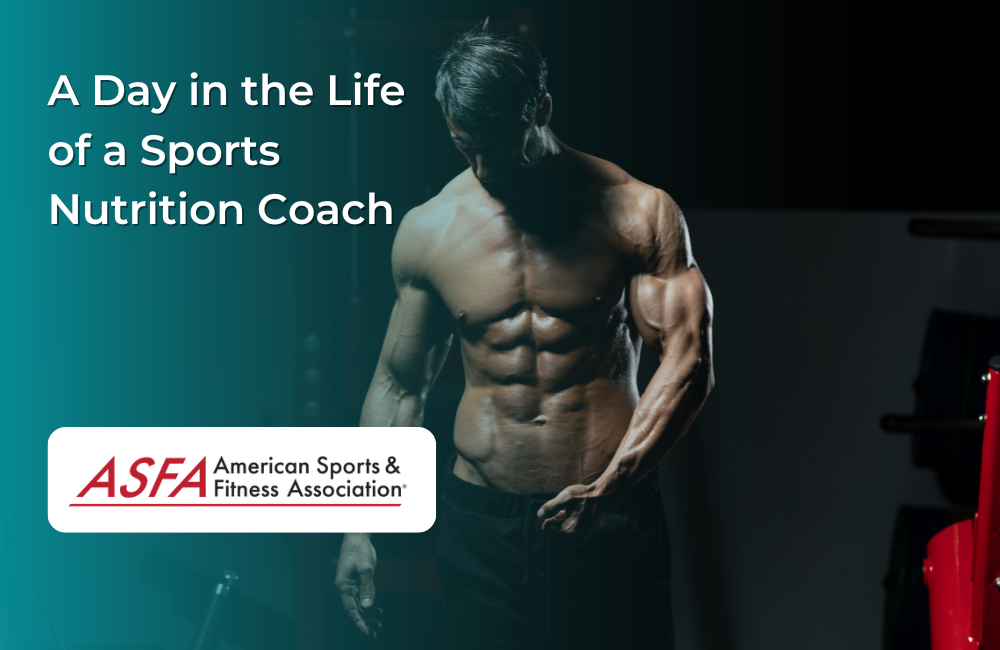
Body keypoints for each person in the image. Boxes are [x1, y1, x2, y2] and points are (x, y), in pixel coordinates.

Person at [334, 23, 714, 649]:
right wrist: (357, 528)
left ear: (541, 110)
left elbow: (689, 360)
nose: (485, 168)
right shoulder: (429, 230)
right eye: (466, 148)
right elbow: (400, 385)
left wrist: (613, 485)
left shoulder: (636, 211)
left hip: (607, 507)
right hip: (482, 523)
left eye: (501, 147)